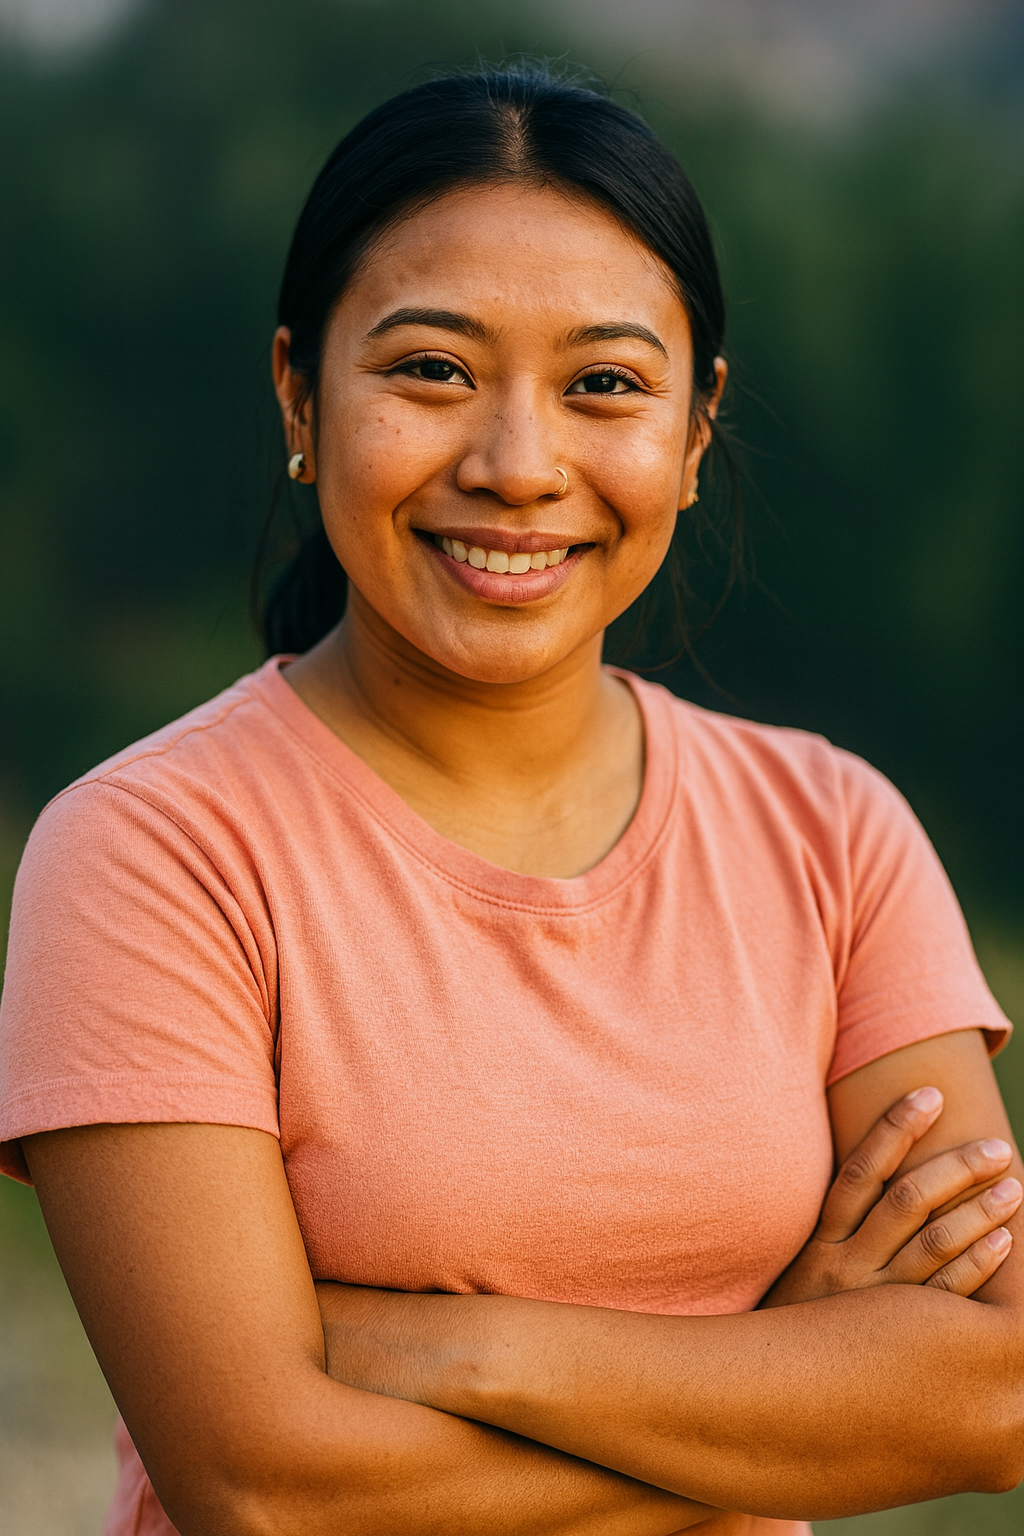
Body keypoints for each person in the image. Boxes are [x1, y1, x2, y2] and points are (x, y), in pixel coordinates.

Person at [1, 66, 1022, 1536]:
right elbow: (264, 1489)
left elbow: (995, 1395)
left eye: (604, 384)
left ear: (695, 431)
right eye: (432, 371)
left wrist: (450, 1351)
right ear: (299, 393)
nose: (517, 467)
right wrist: (787, 1384)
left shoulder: (833, 833)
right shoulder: (156, 853)